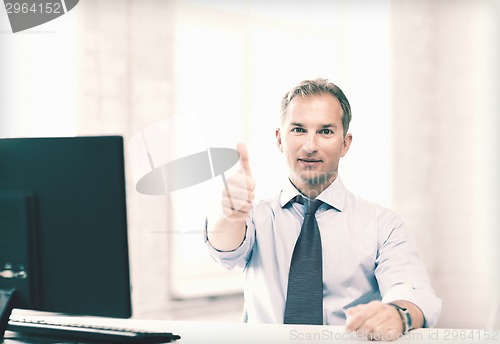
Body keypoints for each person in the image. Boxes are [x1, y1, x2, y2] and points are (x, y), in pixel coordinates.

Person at [204, 78, 441, 341]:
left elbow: (412, 289)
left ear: (345, 143)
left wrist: (397, 314)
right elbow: (224, 250)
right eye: (298, 130)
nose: (310, 146)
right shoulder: (256, 216)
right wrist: (228, 216)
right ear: (279, 139)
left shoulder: (382, 224)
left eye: (326, 131)